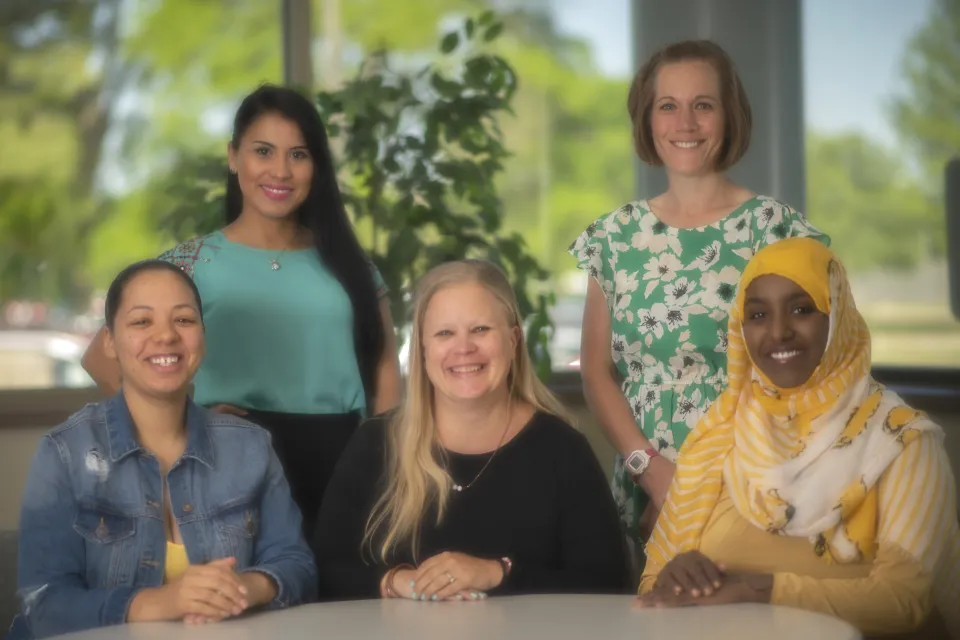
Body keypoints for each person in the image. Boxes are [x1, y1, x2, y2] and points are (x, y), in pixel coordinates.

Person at [81, 85, 401, 538]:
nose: (280, 171)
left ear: (317, 166)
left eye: (298, 155)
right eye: (263, 151)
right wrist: (180, 419)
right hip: (226, 465)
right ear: (234, 157)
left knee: (341, 581)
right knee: (240, 583)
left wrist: (382, 463)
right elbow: (100, 356)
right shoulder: (189, 264)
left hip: (343, 466)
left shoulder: (351, 267)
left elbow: (385, 369)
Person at [569, 39, 829, 568]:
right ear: (647, 120)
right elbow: (596, 373)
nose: (685, 122)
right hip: (646, 487)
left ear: (729, 116)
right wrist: (653, 475)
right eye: (668, 105)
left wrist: (703, 488)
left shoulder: (775, 231)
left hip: (757, 482)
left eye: (703, 105)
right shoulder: (614, 238)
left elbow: (811, 373)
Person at [637, 238, 960, 639]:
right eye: (758, 315)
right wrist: (674, 578)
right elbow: (650, 589)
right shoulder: (718, 437)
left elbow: (904, 600)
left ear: (836, 316)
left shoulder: (901, 440)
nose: (779, 332)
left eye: (802, 309)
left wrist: (761, 590)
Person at [8, 260, 316, 640]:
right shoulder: (65, 451)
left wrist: (244, 587)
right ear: (110, 341)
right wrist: (163, 602)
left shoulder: (250, 445)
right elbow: (43, 604)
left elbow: (297, 564)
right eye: (142, 322)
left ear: (202, 335)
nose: (166, 336)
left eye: (183, 320)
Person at [313, 260, 628, 601]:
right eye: (444, 333)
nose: (463, 348)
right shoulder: (375, 443)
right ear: (422, 349)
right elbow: (326, 570)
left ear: (513, 339)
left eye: (480, 329)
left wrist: (497, 573)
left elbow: (609, 582)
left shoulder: (563, 450)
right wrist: (399, 582)